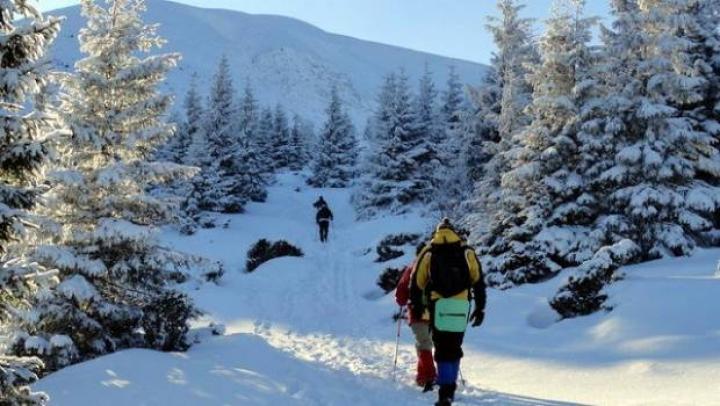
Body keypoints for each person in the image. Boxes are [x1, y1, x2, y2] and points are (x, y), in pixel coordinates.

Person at [411, 218, 486, 406]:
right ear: (454, 231)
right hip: (461, 305)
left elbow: (416, 283)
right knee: (454, 345)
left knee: (442, 347)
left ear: (437, 233)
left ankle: (445, 392)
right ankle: (449, 387)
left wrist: (419, 307)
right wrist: (480, 308)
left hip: (439, 305)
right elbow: (478, 281)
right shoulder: (467, 251)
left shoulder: (428, 252)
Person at [395, 243, 436, 392]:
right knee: (425, 343)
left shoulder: (412, 268)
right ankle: (422, 376)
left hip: (418, 312)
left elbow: (400, 293)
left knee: (423, 343)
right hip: (435, 313)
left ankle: (431, 376)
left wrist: (401, 302)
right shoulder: (436, 268)